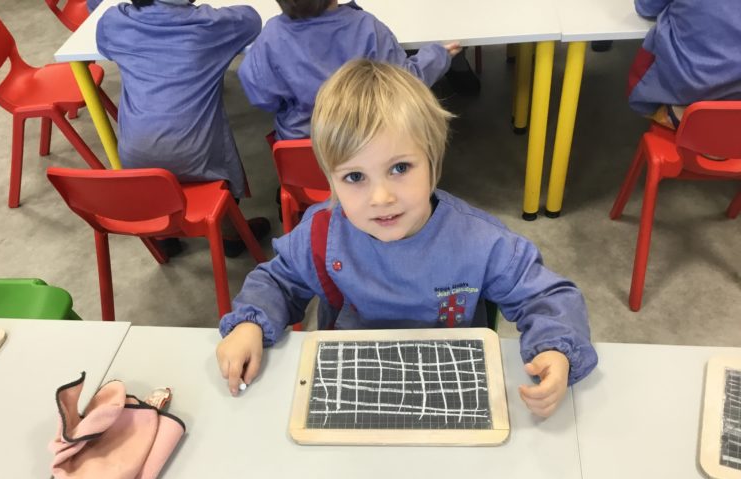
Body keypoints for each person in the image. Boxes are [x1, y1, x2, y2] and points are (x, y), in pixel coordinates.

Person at [216, 59, 598, 418]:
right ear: (330, 180)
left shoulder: (479, 241)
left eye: (400, 167)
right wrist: (251, 323)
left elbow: (547, 296)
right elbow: (278, 281)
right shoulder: (321, 233)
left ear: (433, 161)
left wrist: (556, 348)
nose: (381, 198)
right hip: (354, 380)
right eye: (354, 177)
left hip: (448, 382)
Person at [96, 0, 270, 256]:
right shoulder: (208, 25)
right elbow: (252, 19)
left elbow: (103, 40)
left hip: (136, 161)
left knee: (157, 157)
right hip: (196, 157)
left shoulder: (114, 22)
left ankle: (163, 234)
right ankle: (230, 233)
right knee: (213, 139)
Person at [237, 0, 460, 140]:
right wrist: (438, 55)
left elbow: (263, 97)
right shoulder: (366, 26)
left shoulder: (270, 36)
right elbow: (404, 82)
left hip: (304, 153)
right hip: (366, 140)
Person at [628, 0, 741, 129]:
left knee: (643, 91)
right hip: (736, 104)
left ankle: (672, 113)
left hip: (685, 96)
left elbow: (645, 7)